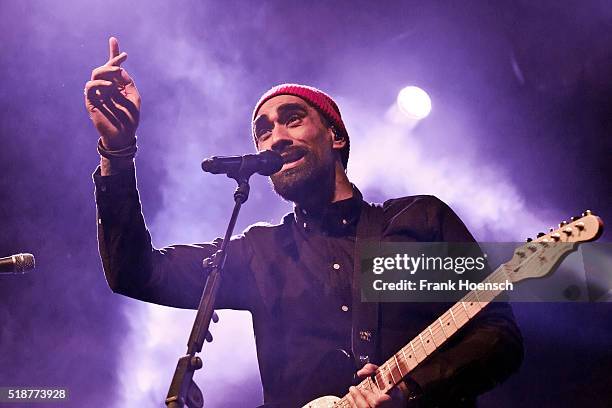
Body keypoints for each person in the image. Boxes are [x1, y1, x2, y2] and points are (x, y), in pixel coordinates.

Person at [85, 37, 523, 408]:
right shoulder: (260, 252)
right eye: (263, 130)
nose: (275, 136)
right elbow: (135, 272)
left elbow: (496, 335)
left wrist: (411, 390)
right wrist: (117, 151)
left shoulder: (417, 222)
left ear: (336, 136)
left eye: (292, 119)